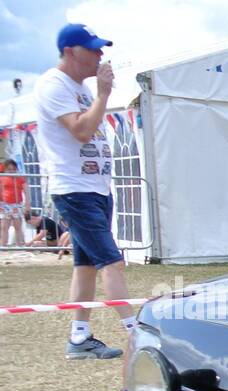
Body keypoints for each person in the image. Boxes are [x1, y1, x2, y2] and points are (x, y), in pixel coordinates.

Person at [34, 23, 136, 360]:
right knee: (112, 261)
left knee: (86, 266)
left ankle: (79, 338)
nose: (100, 55)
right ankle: (138, 333)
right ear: (70, 51)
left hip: (94, 188)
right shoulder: (54, 84)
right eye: (92, 48)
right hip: (75, 189)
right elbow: (80, 130)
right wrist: (104, 94)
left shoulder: (77, 88)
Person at [0, 158, 28, 246]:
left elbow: (26, 192)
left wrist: (27, 204)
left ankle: (19, 245)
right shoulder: (2, 178)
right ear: (5, 169)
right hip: (5, 205)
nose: (11, 171)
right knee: (4, 227)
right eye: (9, 169)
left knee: (18, 226)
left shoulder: (20, 178)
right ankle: (3, 245)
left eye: (13, 169)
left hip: (17, 204)